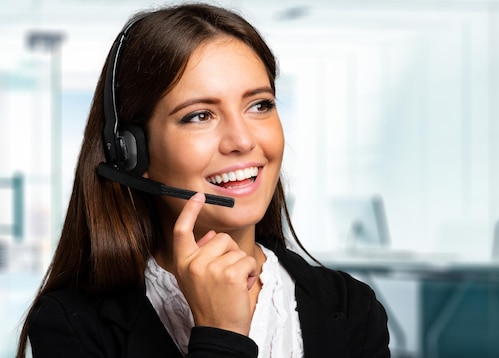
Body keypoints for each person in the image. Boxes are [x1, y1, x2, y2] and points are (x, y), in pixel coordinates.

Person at [17, 3, 390, 358]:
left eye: (259, 105)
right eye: (200, 116)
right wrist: (220, 336)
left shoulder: (351, 306)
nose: (243, 141)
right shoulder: (73, 324)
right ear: (131, 152)